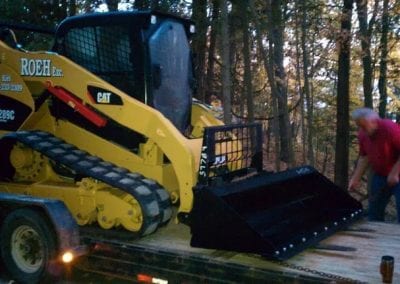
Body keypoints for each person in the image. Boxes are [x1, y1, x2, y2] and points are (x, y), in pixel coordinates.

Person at [348, 108, 400, 222]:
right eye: (359, 126)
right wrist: (355, 178)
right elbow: (364, 157)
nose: (362, 130)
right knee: (374, 211)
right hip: (380, 176)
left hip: (397, 174)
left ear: (374, 121)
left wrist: (395, 172)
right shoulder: (362, 134)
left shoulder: (390, 128)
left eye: (364, 126)